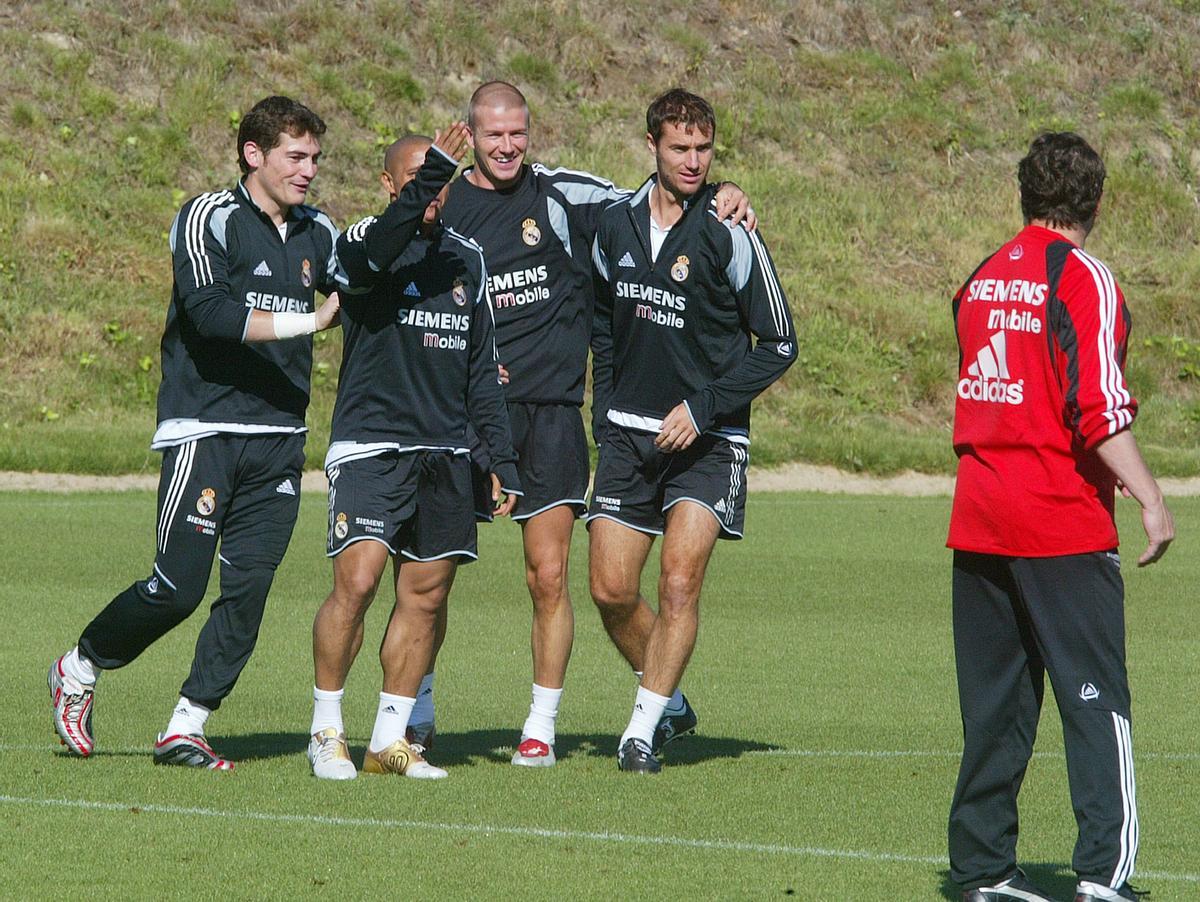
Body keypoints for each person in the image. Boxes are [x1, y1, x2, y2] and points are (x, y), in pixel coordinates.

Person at [437, 81, 754, 767]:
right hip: (458, 416)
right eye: (493, 134)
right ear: (470, 133)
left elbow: (661, 200)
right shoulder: (447, 201)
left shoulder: (568, 194)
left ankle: (545, 728)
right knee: (428, 576)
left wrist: (724, 189)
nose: (507, 145)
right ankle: (416, 714)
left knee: (552, 577)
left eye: (518, 131)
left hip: (550, 415)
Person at [47, 96, 342, 770]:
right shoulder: (207, 217)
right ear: (254, 154)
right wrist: (309, 324)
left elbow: (360, 288)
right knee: (177, 588)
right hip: (204, 428)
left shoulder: (319, 230)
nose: (308, 170)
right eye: (295, 156)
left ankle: (187, 724)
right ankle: (81, 666)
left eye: (315, 158)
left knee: (249, 591)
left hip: (279, 437)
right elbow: (208, 313)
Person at [946, 132, 1173, 902]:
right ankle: (1104, 879)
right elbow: (1098, 408)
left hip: (978, 518)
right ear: (1096, 203)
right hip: (1058, 521)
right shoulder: (1084, 279)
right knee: (1096, 703)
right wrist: (1150, 496)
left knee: (995, 706)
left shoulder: (980, 279)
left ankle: (982, 871)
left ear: (1023, 196)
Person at [588, 88, 796, 773]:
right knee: (612, 591)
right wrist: (604, 415)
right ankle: (671, 700)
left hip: (708, 442)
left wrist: (702, 409)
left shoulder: (731, 230)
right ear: (651, 146)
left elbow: (779, 343)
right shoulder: (614, 223)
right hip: (627, 437)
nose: (693, 160)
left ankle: (641, 731)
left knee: (678, 583)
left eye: (704, 149)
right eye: (680, 147)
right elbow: (602, 323)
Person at [306, 126, 521, 780]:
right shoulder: (362, 245)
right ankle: (326, 730)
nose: (431, 198)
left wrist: (501, 459)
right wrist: (434, 176)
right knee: (360, 581)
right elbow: (369, 262)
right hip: (372, 447)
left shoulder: (468, 258)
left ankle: (389, 740)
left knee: (425, 596)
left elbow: (482, 371)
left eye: (440, 185)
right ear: (389, 184)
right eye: (419, 182)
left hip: (446, 454)